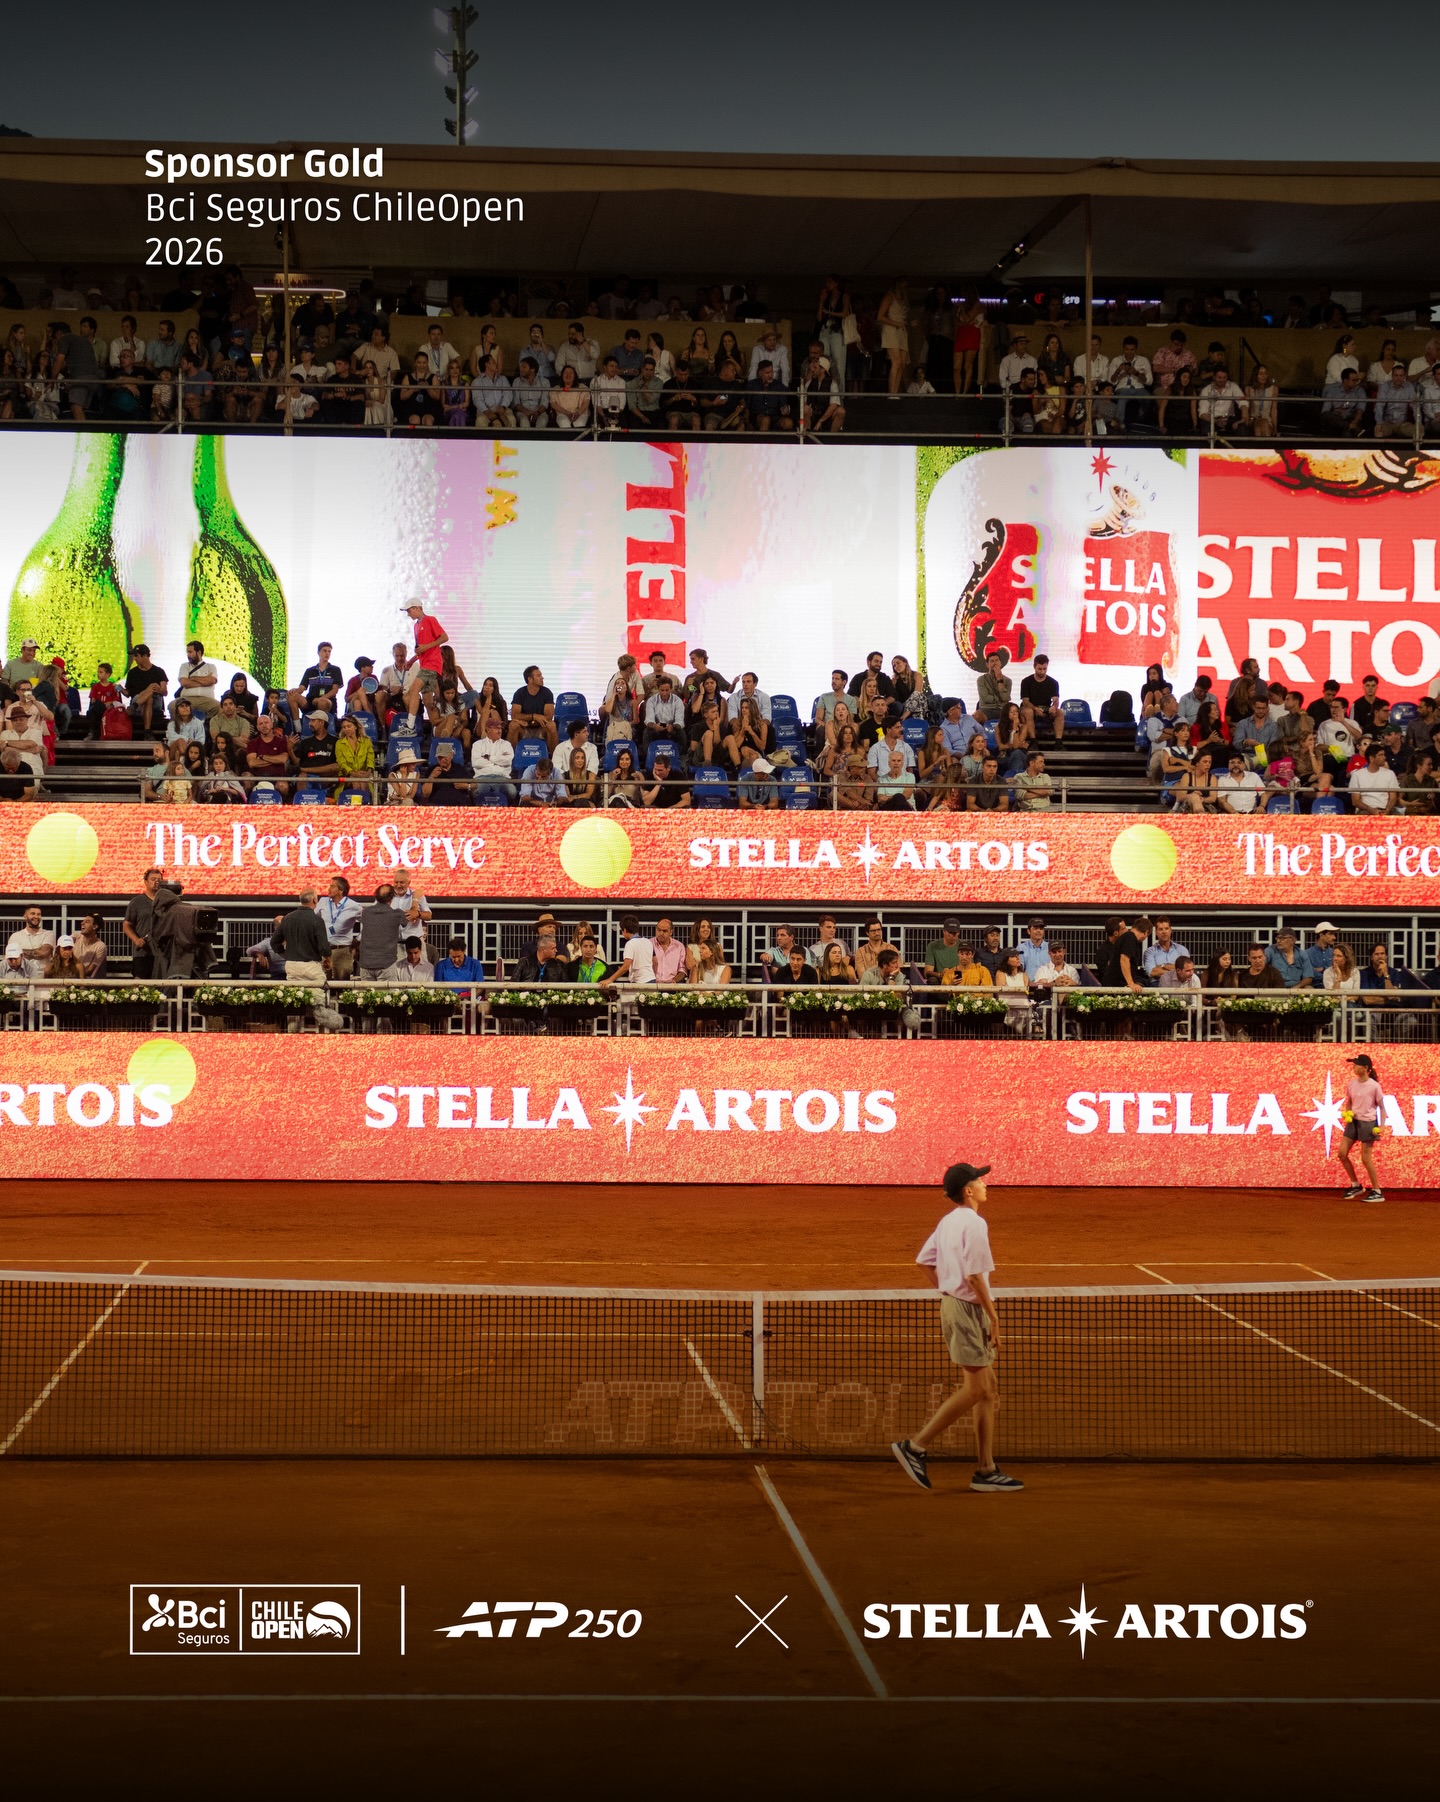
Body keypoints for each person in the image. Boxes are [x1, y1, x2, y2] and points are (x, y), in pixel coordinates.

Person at [891, 1162, 1023, 1493]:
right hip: (968, 1311)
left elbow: (924, 1261)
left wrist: (947, 1290)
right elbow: (975, 1276)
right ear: (968, 1190)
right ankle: (915, 1446)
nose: (985, 1185)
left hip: (956, 1306)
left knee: (988, 1389)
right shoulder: (974, 1225)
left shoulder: (948, 1222)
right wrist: (993, 1317)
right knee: (977, 1389)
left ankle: (986, 1469)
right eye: (980, 1181)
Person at [1338, 1054, 1386, 1204]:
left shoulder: (1374, 1086)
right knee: (1342, 1154)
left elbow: (1382, 1108)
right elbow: (1349, 1102)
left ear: (1365, 1068)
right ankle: (1356, 1185)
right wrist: (1348, 1113)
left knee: (1365, 1158)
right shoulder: (1352, 1083)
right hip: (1353, 1122)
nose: (1354, 1066)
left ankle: (1377, 1191)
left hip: (1368, 1124)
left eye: (1357, 1064)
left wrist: (1382, 1126)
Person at [275, 890, 330, 988]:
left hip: (291, 965)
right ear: (314, 900)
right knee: (319, 997)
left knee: (296, 997)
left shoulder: (287, 918)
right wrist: (328, 959)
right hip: (311, 966)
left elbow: (274, 942)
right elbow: (324, 947)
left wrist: (285, 954)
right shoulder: (317, 920)